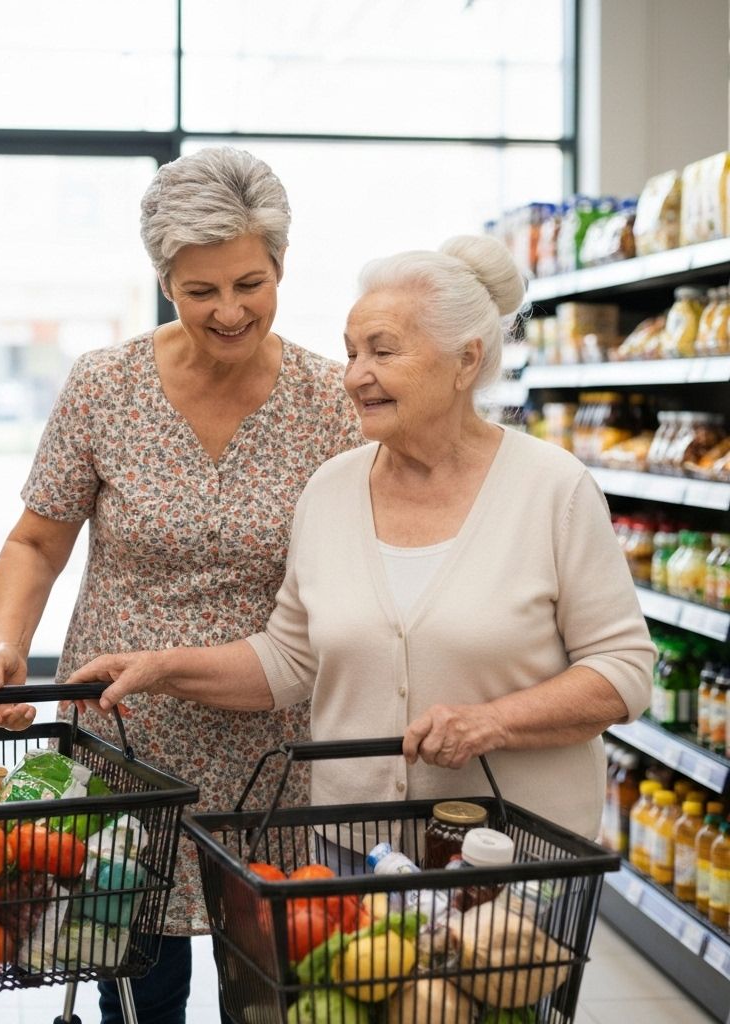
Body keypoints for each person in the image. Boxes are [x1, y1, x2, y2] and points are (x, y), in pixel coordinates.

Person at [67, 233, 655, 850]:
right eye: (350, 353)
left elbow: (623, 669)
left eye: (382, 351)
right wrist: (162, 668)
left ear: (465, 361)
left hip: (512, 856)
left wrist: (493, 723)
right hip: (355, 849)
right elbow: (290, 659)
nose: (354, 377)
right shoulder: (331, 490)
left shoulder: (553, 489)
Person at [0, 146, 363, 1024]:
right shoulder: (105, 386)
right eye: (200, 290)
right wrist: (6, 645)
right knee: (138, 987)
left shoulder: (330, 402)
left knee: (270, 986)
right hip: (124, 737)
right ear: (162, 282)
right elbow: (35, 541)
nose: (230, 311)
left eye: (250, 283)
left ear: (281, 266)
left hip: (267, 743)